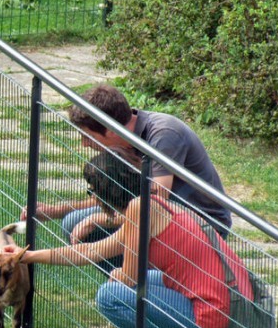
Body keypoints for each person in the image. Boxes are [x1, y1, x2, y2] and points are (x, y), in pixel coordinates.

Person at [7, 148, 252, 328]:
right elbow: (92, 251)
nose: (92, 198)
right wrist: (28, 256)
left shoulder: (140, 209)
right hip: (224, 302)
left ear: (106, 190)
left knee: (110, 296)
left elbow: (129, 278)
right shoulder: (149, 203)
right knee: (139, 283)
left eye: (92, 190)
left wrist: (121, 274)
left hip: (212, 312)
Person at [24, 83, 232, 252]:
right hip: (160, 215)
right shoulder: (123, 144)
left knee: (90, 225)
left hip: (203, 226)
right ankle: (129, 281)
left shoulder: (164, 135)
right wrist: (55, 211)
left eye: (88, 136)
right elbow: (117, 197)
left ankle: (138, 284)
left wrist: (99, 219)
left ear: (111, 130)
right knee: (73, 221)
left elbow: (155, 203)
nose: (84, 144)